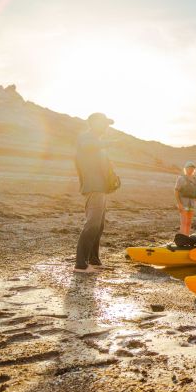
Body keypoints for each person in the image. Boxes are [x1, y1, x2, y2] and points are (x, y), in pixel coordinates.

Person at [74, 112, 120, 273]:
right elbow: (89, 146)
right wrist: (109, 143)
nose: (106, 126)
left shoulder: (98, 142)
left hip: (101, 188)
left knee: (99, 226)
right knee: (92, 225)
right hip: (93, 187)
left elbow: (103, 165)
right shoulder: (86, 138)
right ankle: (80, 264)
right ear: (93, 123)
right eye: (104, 123)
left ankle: (94, 260)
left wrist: (112, 177)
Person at [174, 161, 196, 235]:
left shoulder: (195, 180)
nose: (191, 170)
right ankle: (182, 239)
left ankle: (187, 237)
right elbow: (176, 192)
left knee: (189, 223)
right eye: (189, 168)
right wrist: (179, 204)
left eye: (192, 168)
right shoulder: (181, 178)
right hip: (183, 204)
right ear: (185, 169)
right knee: (184, 222)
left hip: (191, 204)